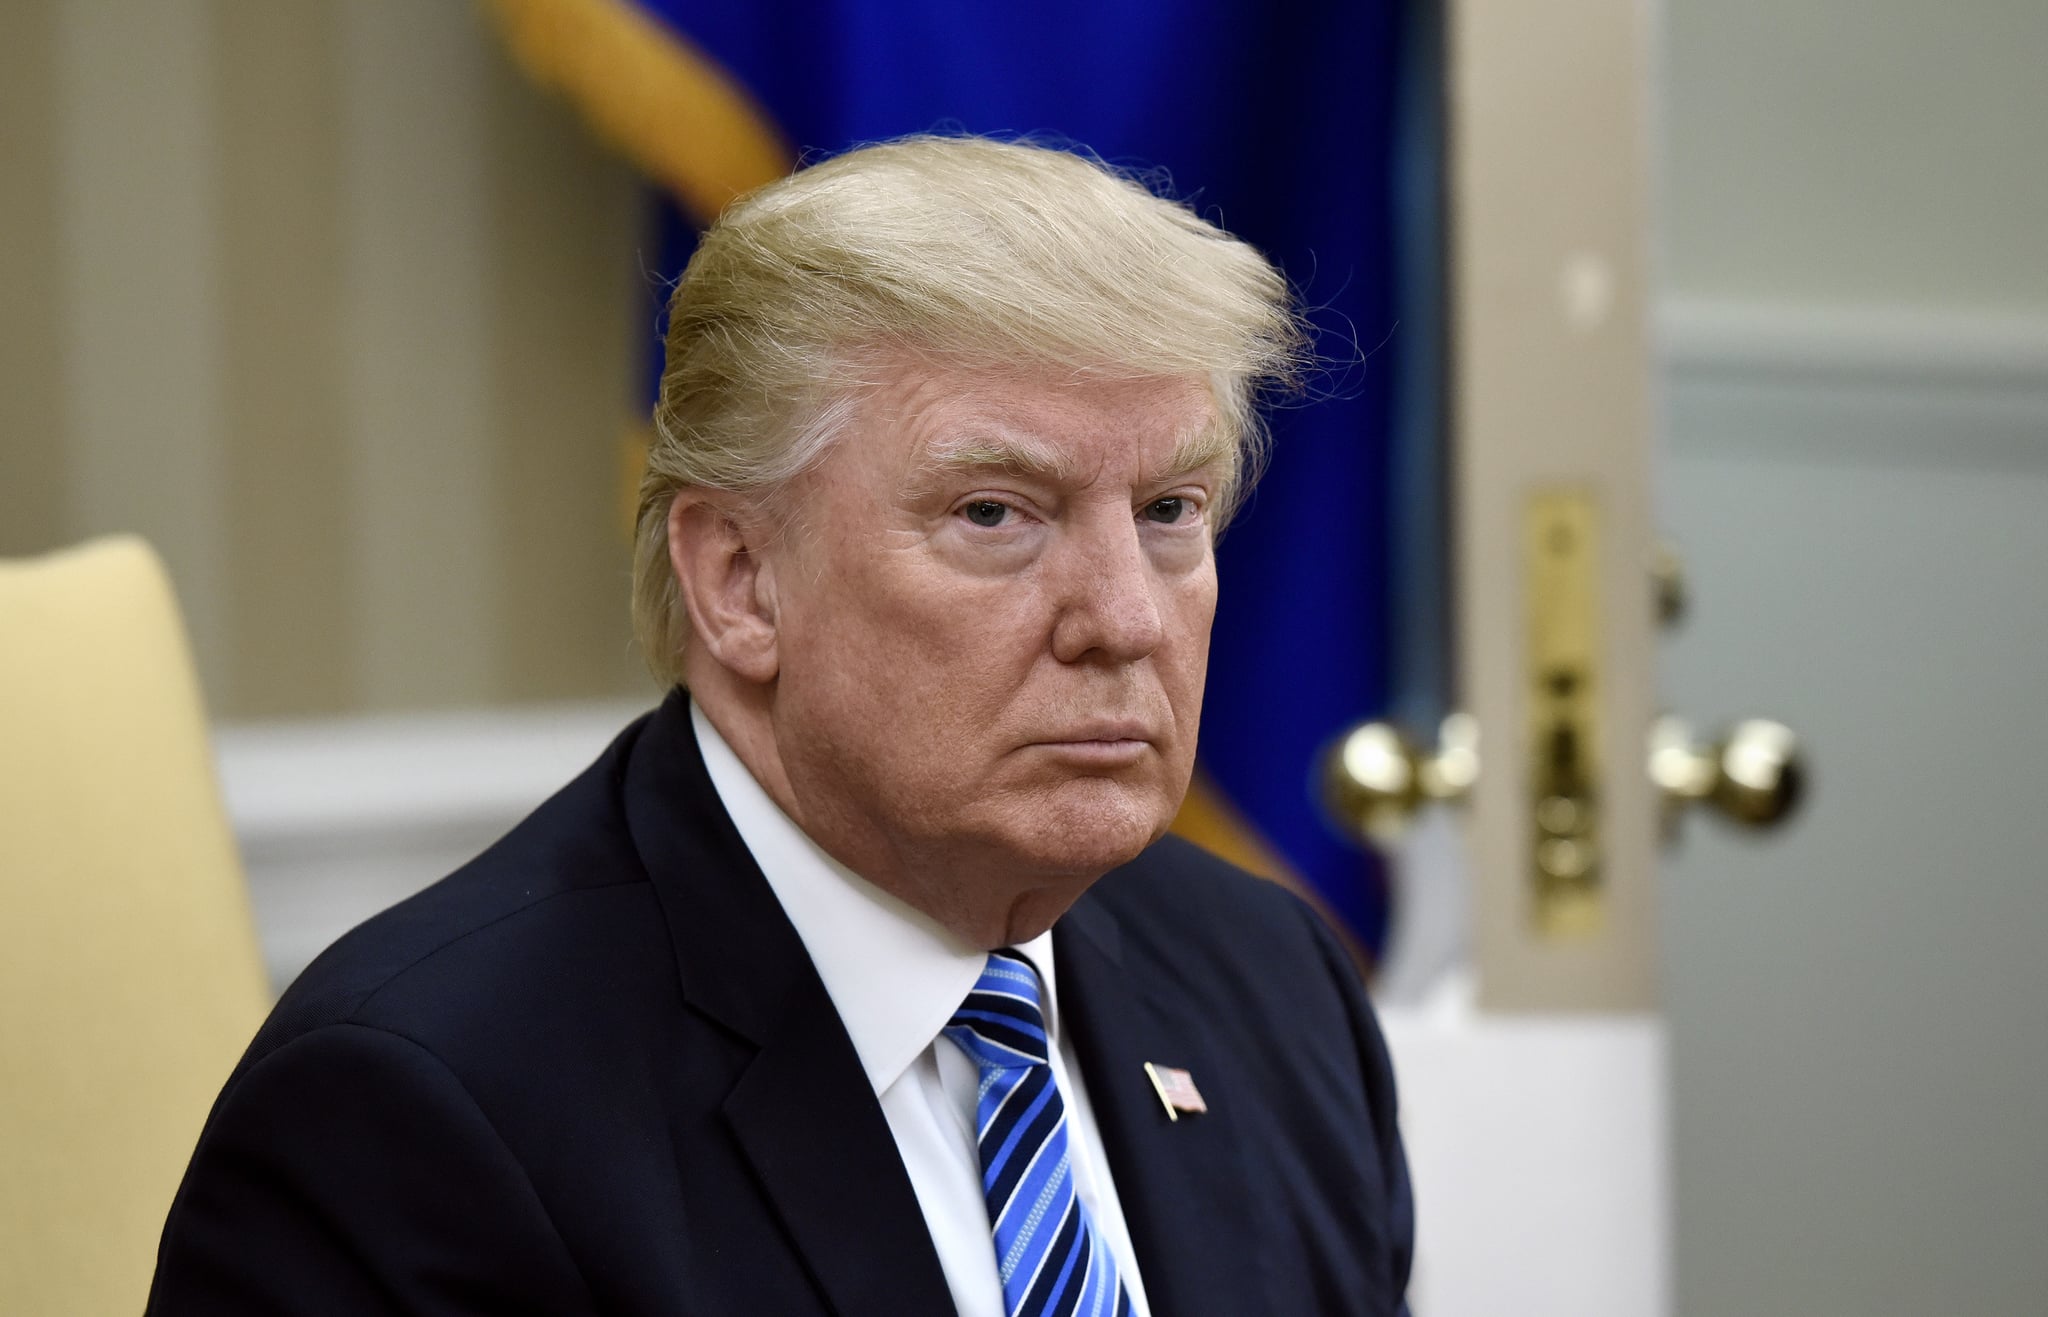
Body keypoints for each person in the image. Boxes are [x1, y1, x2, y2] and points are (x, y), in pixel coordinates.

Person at [148, 135, 1412, 1316]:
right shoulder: (421, 1111)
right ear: (740, 579)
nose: (1126, 619)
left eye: (1169, 510)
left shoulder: (1267, 980)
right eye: (993, 514)